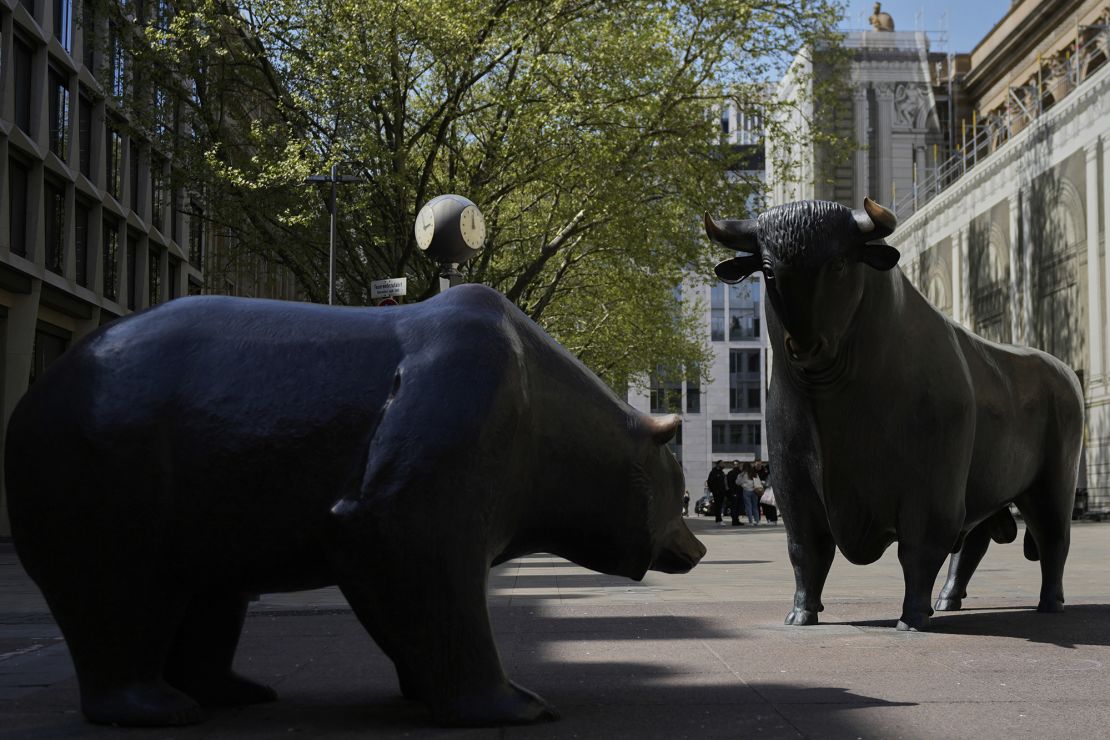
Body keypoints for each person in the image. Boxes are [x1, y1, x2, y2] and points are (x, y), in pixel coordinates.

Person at [725, 461, 743, 526]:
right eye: (735, 464)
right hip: (734, 492)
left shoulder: (740, 473)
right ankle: (734, 520)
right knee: (734, 506)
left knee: (738, 507)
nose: (736, 465)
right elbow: (729, 484)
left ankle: (736, 520)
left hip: (739, 491)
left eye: (737, 464)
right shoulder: (731, 473)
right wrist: (731, 492)